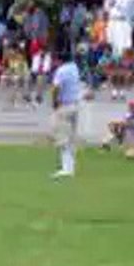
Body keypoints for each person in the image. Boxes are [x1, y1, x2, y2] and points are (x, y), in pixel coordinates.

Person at [51, 48, 82, 179]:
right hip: (75, 104)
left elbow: (56, 87)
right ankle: (70, 166)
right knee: (71, 137)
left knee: (62, 137)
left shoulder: (61, 71)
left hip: (64, 105)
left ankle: (66, 168)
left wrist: (55, 102)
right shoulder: (74, 68)